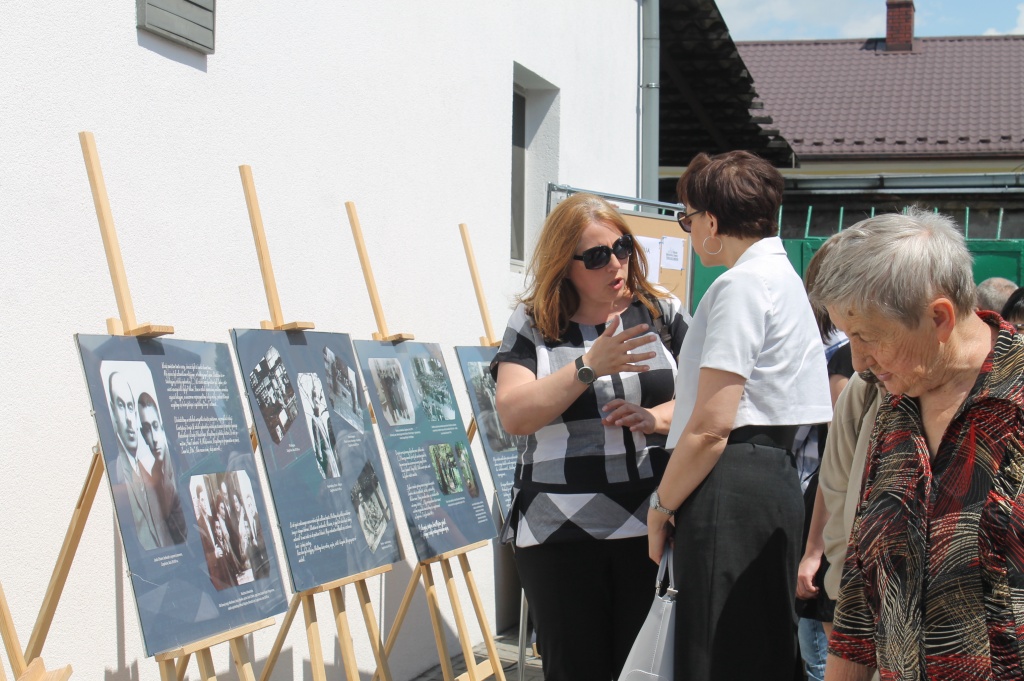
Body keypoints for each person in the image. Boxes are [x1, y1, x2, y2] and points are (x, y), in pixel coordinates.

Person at [809, 208, 1024, 679]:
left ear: (939, 317)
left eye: (868, 338)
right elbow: (865, 594)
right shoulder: (895, 402)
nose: (860, 361)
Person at [646, 150, 832, 681]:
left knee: (716, 650)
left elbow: (710, 425)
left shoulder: (740, 284)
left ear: (710, 221)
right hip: (771, 476)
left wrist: (661, 506)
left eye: (687, 218)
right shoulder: (783, 277)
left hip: (730, 477)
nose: (688, 231)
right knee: (759, 647)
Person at [492, 192, 689, 681]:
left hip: (651, 523)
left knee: (645, 668)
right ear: (565, 263)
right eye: (597, 256)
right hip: (559, 532)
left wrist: (656, 417)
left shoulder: (660, 312)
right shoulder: (537, 322)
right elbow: (513, 414)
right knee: (576, 668)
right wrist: (587, 367)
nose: (616, 264)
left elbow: (713, 397)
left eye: (622, 247)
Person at [108, 372, 176, 551]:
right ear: (112, 410)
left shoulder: (149, 466)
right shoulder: (115, 470)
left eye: (130, 407)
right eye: (121, 406)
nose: (129, 419)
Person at [137, 392, 188, 545]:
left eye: (155, 426)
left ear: (162, 427)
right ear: (142, 434)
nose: (153, 437)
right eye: (147, 429)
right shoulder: (146, 472)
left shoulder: (172, 458)